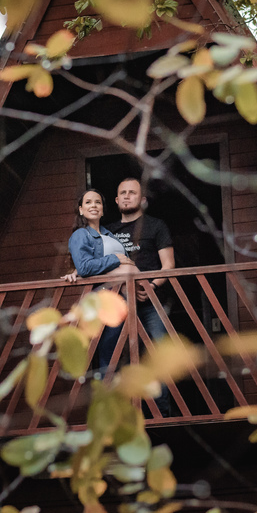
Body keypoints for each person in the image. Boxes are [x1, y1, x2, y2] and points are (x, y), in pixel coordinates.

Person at [99, 177, 176, 417]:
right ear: (116, 199)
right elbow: (97, 265)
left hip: (151, 301)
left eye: (132, 193)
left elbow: (169, 266)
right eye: (122, 193)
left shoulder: (156, 226)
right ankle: (113, 414)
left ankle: (163, 414)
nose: (126, 196)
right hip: (118, 303)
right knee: (109, 354)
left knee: (160, 353)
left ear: (142, 200)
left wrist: (150, 285)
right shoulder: (106, 231)